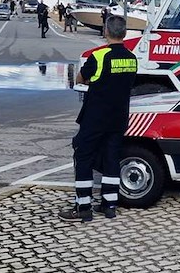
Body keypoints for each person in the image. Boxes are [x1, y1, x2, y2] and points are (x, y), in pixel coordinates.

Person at [59, 15, 138, 222]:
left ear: (106, 32)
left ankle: (83, 207)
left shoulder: (99, 56)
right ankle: (109, 205)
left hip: (95, 117)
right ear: (125, 34)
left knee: (83, 157)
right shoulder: (132, 57)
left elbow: (80, 78)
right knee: (112, 158)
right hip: (119, 118)